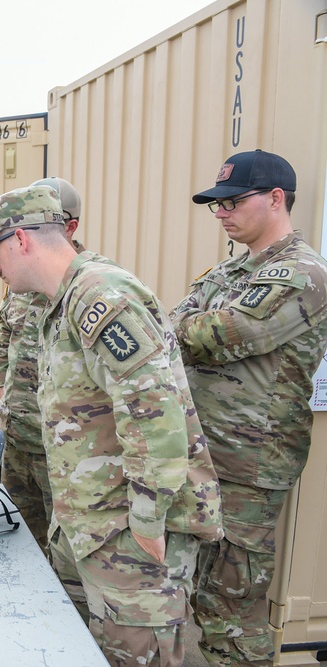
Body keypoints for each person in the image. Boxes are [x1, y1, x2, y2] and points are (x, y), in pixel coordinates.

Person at [0, 185, 223, 666]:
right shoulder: (59, 301)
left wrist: (149, 521)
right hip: (87, 525)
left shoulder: (101, 294)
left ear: (21, 240)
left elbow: (155, 409)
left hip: (128, 535)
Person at [170, 150, 327, 666]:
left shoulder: (304, 272)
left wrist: (195, 326)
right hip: (208, 454)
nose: (220, 213)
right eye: (215, 204)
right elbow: (180, 320)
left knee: (232, 608)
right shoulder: (233, 268)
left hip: (251, 466)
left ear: (276, 198)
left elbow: (227, 333)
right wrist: (191, 326)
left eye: (233, 202)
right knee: (201, 589)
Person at [0, 177, 84, 554]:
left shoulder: (85, 290)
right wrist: (4, 393)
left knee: (61, 554)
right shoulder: (23, 280)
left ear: (70, 227)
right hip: (17, 441)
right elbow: (2, 336)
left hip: (59, 454)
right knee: (15, 541)